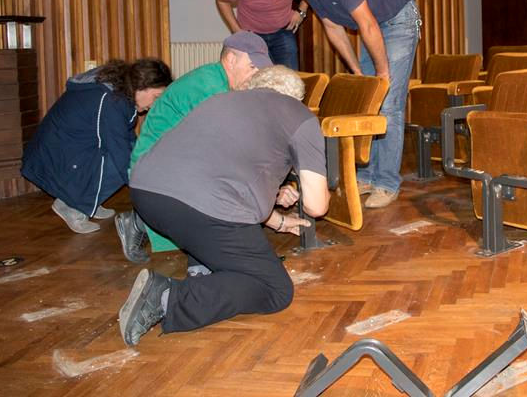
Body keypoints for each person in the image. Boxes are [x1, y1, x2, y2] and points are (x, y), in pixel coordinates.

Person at [117, 66, 330, 346]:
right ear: (296, 97)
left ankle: (203, 271)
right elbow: (316, 206)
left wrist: (278, 221)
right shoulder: (299, 116)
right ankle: (167, 298)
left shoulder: (220, 100)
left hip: (146, 193)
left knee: (211, 216)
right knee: (276, 289)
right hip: (199, 207)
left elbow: (229, 177)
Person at [269, 0, 421, 208]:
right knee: (368, 101)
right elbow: (333, 28)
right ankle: (368, 176)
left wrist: (383, 73)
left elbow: (367, 24)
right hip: (374, 26)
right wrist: (357, 71)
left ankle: (386, 183)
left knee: (388, 104)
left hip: (398, 20)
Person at [116, 30, 272, 264]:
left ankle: (142, 222)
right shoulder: (210, 88)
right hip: (154, 172)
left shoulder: (215, 80)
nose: (256, 74)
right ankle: (141, 222)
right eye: (252, 67)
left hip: (163, 165)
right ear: (231, 60)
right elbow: (226, 150)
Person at [21, 58, 172, 234]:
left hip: (59, 151)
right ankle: (71, 206)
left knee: (131, 154)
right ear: (141, 86)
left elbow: (127, 140)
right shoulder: (112, 101)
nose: (154, 105)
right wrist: (144, 189)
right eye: (156, 97)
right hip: (55, 158)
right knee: (119, 163)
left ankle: (87, 200)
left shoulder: (120, 93)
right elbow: (119, 150)